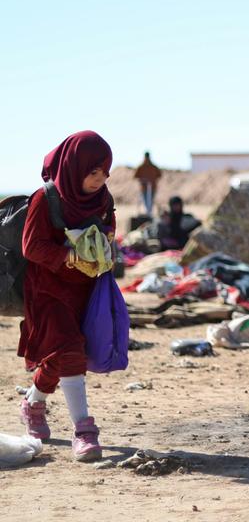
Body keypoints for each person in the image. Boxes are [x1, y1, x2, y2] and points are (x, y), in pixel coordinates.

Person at [18, 131, 115, 462]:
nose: (99, 181)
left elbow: (109, 229)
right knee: (71, 351)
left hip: (85, 291)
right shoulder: (45, 200)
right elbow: (31, 247)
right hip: (47, 290)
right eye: (93, 173)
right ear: (75, 167)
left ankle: (33, 404)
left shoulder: (103, 199)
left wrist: (106, 244)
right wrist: (70, 256)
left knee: (60, 356)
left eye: (104, 174)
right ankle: (84, 432)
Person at [134, 151, 162, 215]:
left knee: (151, 202)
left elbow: (159, 175)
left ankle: (149, 213)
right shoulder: (141, 167)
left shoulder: (153, 167)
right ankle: (148, 213)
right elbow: (136, 177)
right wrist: (143, 180)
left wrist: (152, 180)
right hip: (144, 188)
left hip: (153, 188)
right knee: (145, 202)